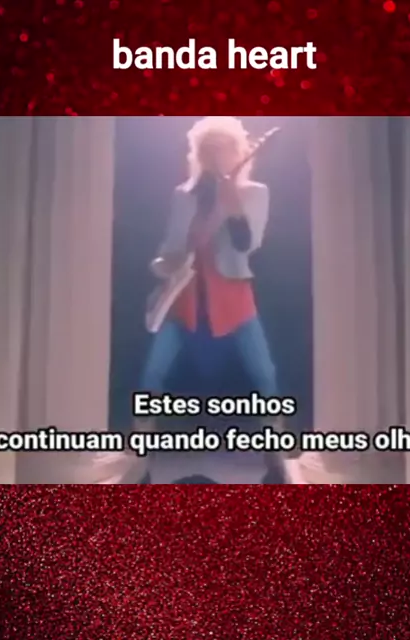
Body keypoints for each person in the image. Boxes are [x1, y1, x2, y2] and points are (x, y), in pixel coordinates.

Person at [136, 116, 288, 483]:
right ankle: (140, 454)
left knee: (264, 374)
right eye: (207, 149)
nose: (214, 156)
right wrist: (163, 264)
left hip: (232, 293)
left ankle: (277, 454)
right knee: (153, 372)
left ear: (237, 151)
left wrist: (230, 201)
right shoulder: (183, 194)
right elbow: (169, 248)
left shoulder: (255, 192)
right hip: (184, 294)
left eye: (221, 148)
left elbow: (248, 244)